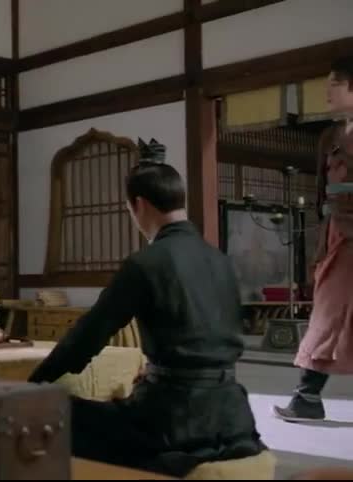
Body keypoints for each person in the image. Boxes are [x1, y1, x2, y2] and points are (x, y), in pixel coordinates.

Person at [27, 139, 266, 477]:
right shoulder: (221, 260)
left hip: (172, 422)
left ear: (138, 205)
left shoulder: (146, 263)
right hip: (234, 419)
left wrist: (34, 384)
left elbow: (88, 336)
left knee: (46, 413)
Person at [274, 55, 353, 422]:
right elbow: (324, 191)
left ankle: (307, 397)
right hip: (338, 231)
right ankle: (307, 396)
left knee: (330, 310)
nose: (327, 92)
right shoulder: (330, 137)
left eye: (335, 84)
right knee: (329, 308)